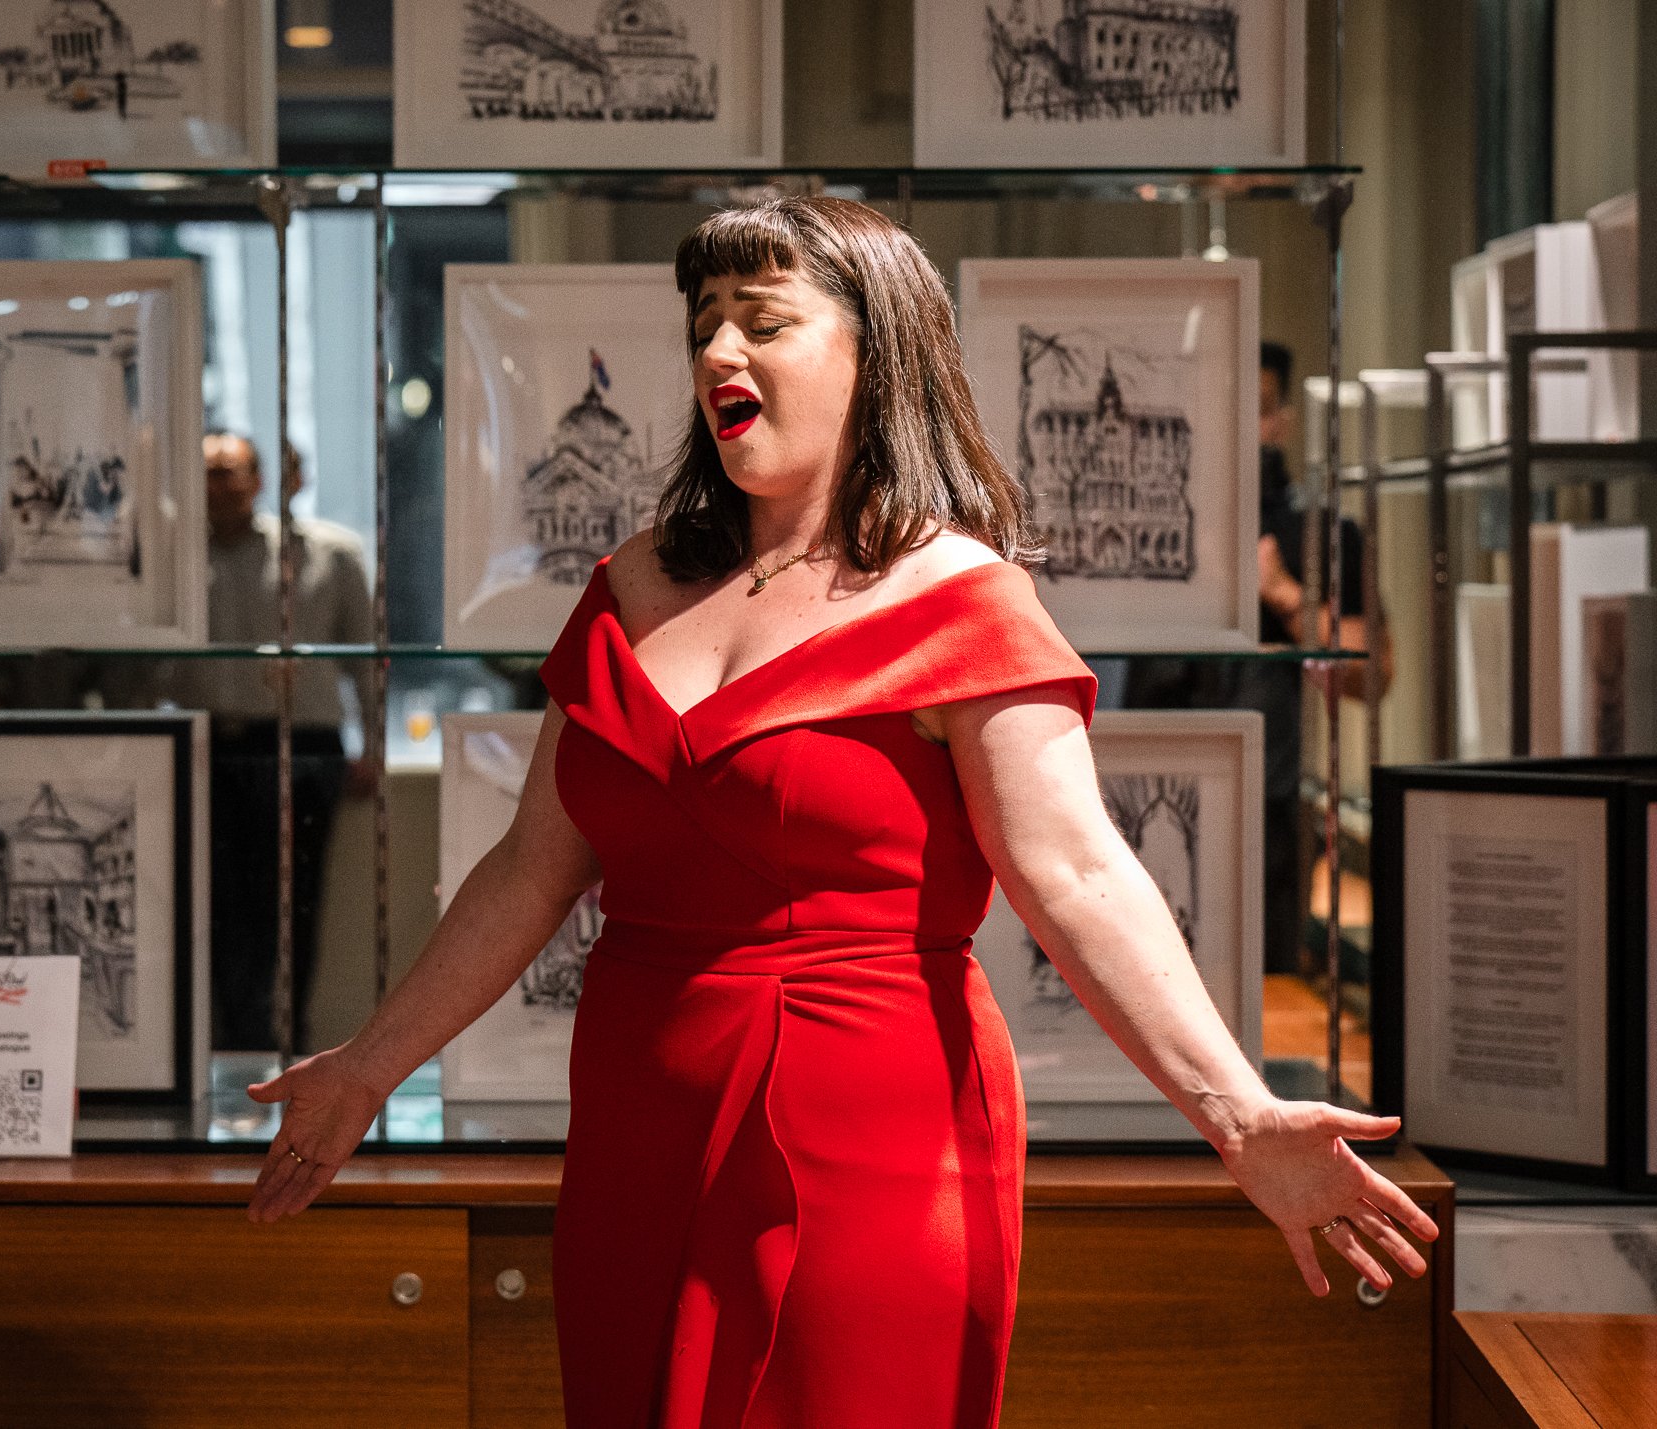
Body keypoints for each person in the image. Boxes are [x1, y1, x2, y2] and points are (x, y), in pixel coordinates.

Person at [243, 198, 1436, 1426]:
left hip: (870, 1127)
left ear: (876, 356)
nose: (717, 353)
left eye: (761, 321)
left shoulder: (958, 597)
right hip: (637, 1119)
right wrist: (369, 1067)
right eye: (704, 323)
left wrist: (1237, 1117)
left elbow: (1077, 874)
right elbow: (525, 874)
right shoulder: (631, 585)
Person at [1123, 341, 1394, 977]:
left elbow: (1370, 674)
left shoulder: (1323, 532)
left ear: (1282, 420)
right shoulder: (1153, 520)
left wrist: (1281, 593)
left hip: (1269, 811)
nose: (1242, 424)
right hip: (1140, 783)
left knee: (1264, 985)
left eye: (1260, 407)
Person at [157, 433, 379, 1051]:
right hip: (208, 750)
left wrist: (375, 747)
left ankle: (288, 1040)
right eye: (205, 473)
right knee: (218, 905)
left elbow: (367, 663)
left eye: (230, 472)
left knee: (294, 902)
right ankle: (234, 1045)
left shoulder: (329, 555)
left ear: (258, 480)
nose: (218, 486)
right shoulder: (170, 565)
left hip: (302, 749)